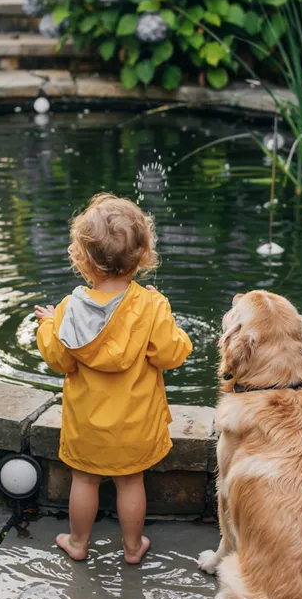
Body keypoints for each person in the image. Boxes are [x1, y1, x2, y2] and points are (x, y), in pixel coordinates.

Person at [35, 193, 192, 564]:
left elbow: (59, 360)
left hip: (87, 424)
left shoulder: (69, 310)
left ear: (83, 258)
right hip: (136, 423)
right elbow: (173, 354)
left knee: (84, 481)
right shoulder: (151, 306)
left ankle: (78, 542)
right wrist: (164, 310)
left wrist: (49, 326)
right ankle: (133, 547)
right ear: (142, 255)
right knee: (130, 482)